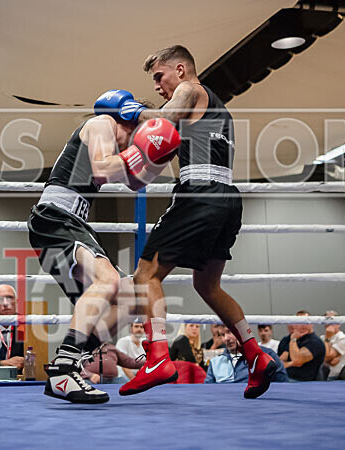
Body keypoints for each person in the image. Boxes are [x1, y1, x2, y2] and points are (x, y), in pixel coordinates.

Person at [95, 44, 277, 399]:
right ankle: (255, 355)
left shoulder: (189, 89)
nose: (159, 85)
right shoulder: (216, 107)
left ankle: (158, 358)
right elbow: (159, 146)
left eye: (159, 76)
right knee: (207, 286)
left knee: (145, 275)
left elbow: (167, 116)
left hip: (199, 194)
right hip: (227, 198)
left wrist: (132, 111)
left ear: (180, 69)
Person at [28, 112, 179, 404]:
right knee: (107, 279)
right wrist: (140, 150)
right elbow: (100, 169)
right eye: (134, 138)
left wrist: (156, 157)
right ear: (129, 123)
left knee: (132, 294)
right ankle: (63, 368)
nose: (129, 148)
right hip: (56, 216)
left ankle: (74, 364)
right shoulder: (102, 124)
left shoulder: (120, 145)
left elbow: (135, 183)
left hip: (72, 223)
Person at [205, 325, 287, 384]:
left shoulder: (267, 354)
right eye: (222, 335)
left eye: (230, 332)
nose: (226, 338)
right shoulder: (215, 362)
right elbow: (207, 391)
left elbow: (282, 383)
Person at [278, 311, 326, 381]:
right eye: (299, 322)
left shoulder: (315, 342)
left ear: (311, 324)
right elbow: (280, 362)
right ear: (294, 325)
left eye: (306, 322)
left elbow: (297, 360)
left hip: (303, 381)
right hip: (287, 377)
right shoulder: (290, 340)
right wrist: (290, 364)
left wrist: (293, 339)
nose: (303, 325)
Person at [322, 310, 345, 380]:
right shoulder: (322, 338)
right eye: (327, 321)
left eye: (332, 321)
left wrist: (328, 338)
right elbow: (317, 358)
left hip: (336, 378)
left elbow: (326, 357)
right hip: (323, 376)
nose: (329, 324)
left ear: (338, 323)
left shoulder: (342, 339)